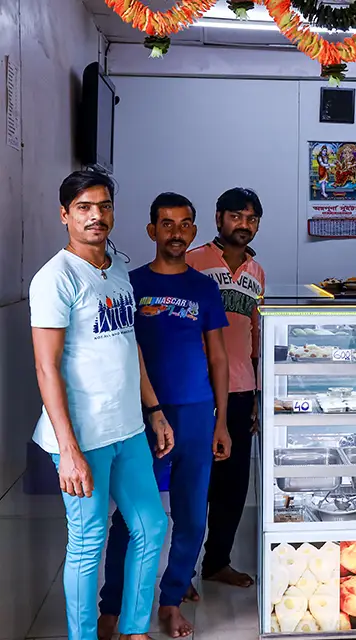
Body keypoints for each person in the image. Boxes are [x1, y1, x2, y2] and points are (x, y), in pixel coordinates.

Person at [29, 171, 174, 640]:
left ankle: (134, 630)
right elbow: (47, 368)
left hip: (127, 428)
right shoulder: (55, 278)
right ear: (65, 215)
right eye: (85, 207)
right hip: (82, 435)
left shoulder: (116, 268)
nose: (96, 215)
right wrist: (67, 451)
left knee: (151, 527)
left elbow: (129, 344)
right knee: (88, 542)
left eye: (104, 206)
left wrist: (153, 410)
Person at [98, 193, 232, 638]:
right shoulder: (128, 284)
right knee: (133, 517)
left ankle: (171, 599)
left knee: (193, 516)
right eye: (167, 224)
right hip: (142, 416)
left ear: (194, 231)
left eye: (185, 224)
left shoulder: (203, 287)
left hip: (196, 413)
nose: (176, 232)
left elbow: (218, 358)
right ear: (152, 230)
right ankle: (112, 606)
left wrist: (221, 420)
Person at [187, 187, 266, 588]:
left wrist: (256, 395)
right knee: (195, 483)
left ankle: (216, 562)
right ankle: (181, 572)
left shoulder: (256, 272)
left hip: (239, 390)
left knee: (233, 486)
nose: (244, 225)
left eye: (252, 219)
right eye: (237, 217)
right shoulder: (194, 261)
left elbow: (255, 336)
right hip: (196, 389)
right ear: (219, 219)